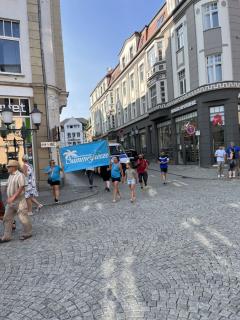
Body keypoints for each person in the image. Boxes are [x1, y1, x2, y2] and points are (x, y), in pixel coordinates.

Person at [0, 160, 32, 243]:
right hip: (11, 202)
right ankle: (7, 236)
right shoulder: (10, 175)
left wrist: (13, 197)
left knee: (23, 218)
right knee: (6, 218)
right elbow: (7, 185)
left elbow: (21, 187)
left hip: (19, 201)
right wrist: (4, 193)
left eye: (9, 166)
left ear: (14, 167)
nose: (7, 168)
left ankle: (28, 233)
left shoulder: (20, 175)